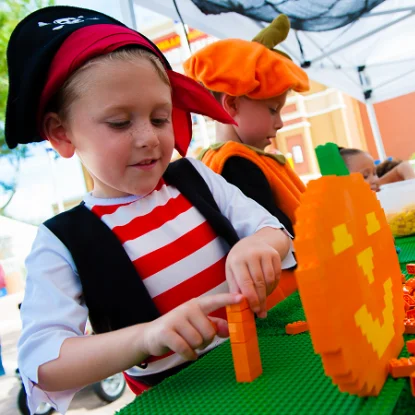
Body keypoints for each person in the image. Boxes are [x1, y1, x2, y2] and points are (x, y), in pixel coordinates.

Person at [7, 7, 294, 414]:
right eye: (121, 123)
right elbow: (43, 362)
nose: (148, 138)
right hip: (179, 399)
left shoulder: (196, 178)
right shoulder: (62, 241)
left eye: (160, 118)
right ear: (61, 132)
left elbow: (273, 229)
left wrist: (259, 245)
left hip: (270, 363)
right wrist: (145, 337)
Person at [185, 15, 309, 237]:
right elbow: (277, 227)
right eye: (273, 110)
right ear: (232, 104)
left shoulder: (221, 160)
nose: (279, 123)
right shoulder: (236, 164)